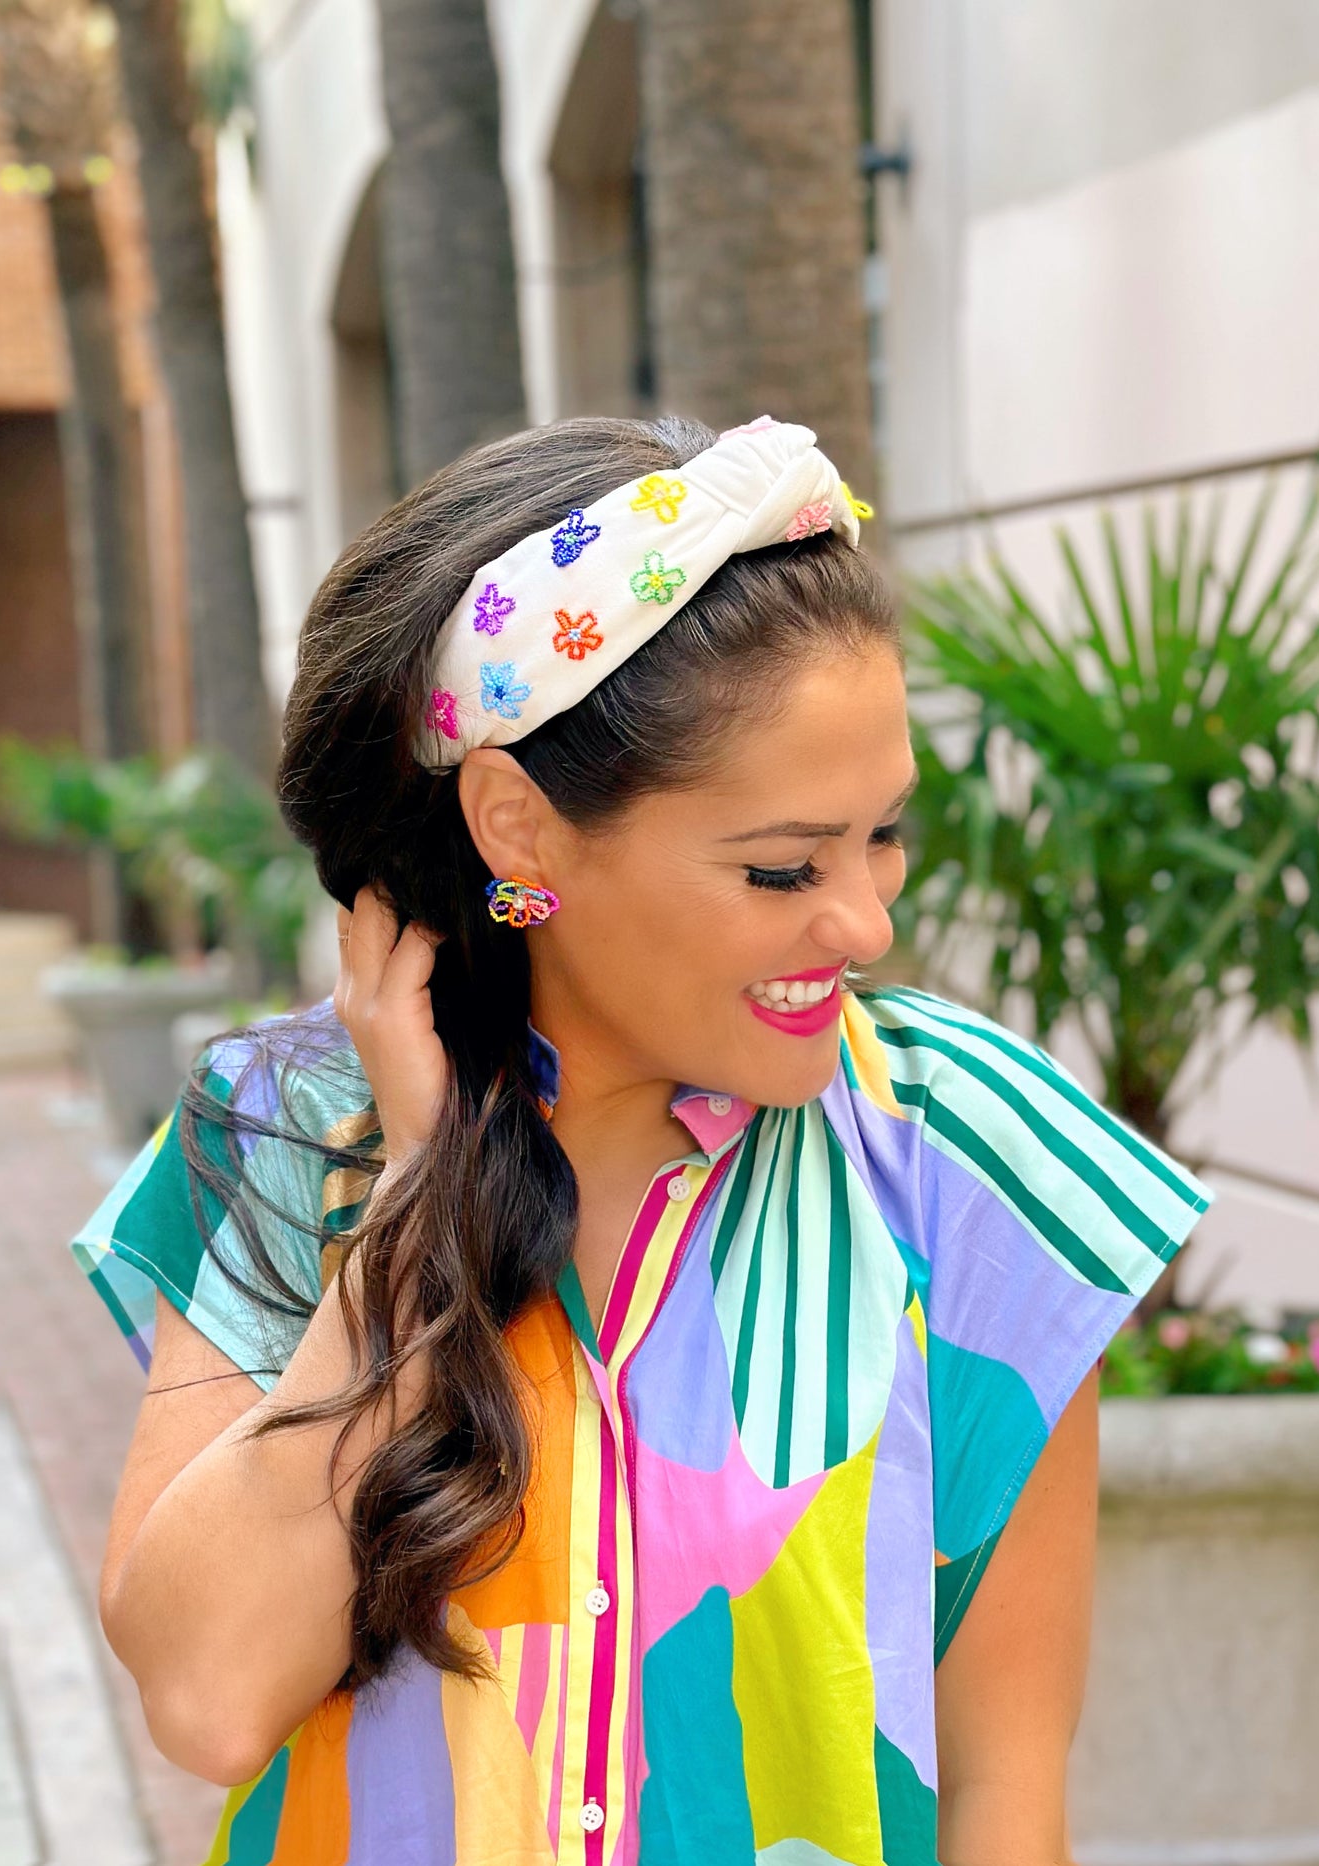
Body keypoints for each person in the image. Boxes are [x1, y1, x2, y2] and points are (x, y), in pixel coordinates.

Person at [71, 414, 1210, 1866]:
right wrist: (418, 1205)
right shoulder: (292, 1131)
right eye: (784, 865)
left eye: (886, 836)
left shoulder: (971, 1163)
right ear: (519, 829)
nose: (865, 922)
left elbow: (1004, 1791)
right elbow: (207, 1698)